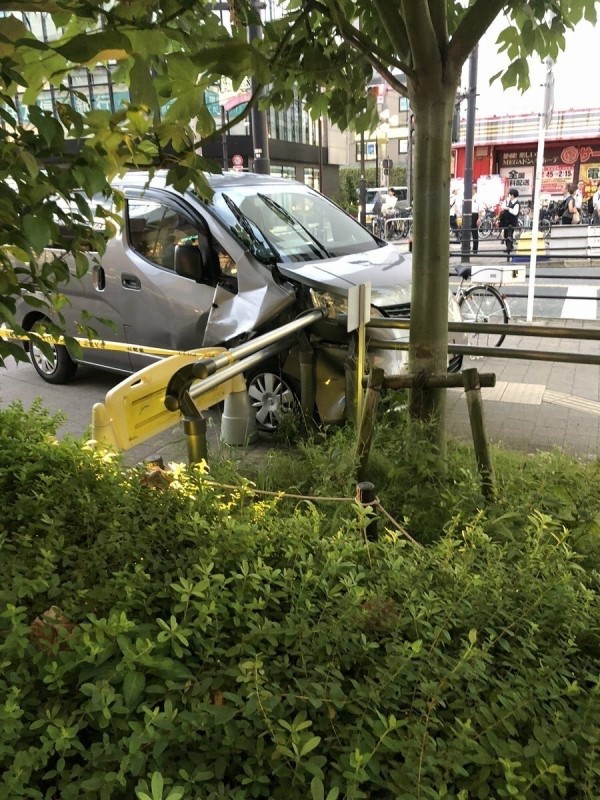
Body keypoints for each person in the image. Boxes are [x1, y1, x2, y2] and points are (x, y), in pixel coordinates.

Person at [499, 187, 520, 252]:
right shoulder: (508, 201)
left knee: (509, 233)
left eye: (510, 194)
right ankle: (509, 246)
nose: (509, 196)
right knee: (506, 234)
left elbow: (515, 212)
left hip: (512, 221)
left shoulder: (517, 203)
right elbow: (502, 206)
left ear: (513, 195)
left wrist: (509, 209)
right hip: (506, 220)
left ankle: (509, 248)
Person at [470, 185, 481, 253]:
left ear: (474, 189)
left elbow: (480, 208)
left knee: (474, 232)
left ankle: (475, 249)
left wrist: (479, 218)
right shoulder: (468, 196)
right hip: (468, 214)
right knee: (466, 231)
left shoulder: (477, 197)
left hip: (475, 214)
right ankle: (466, 246)